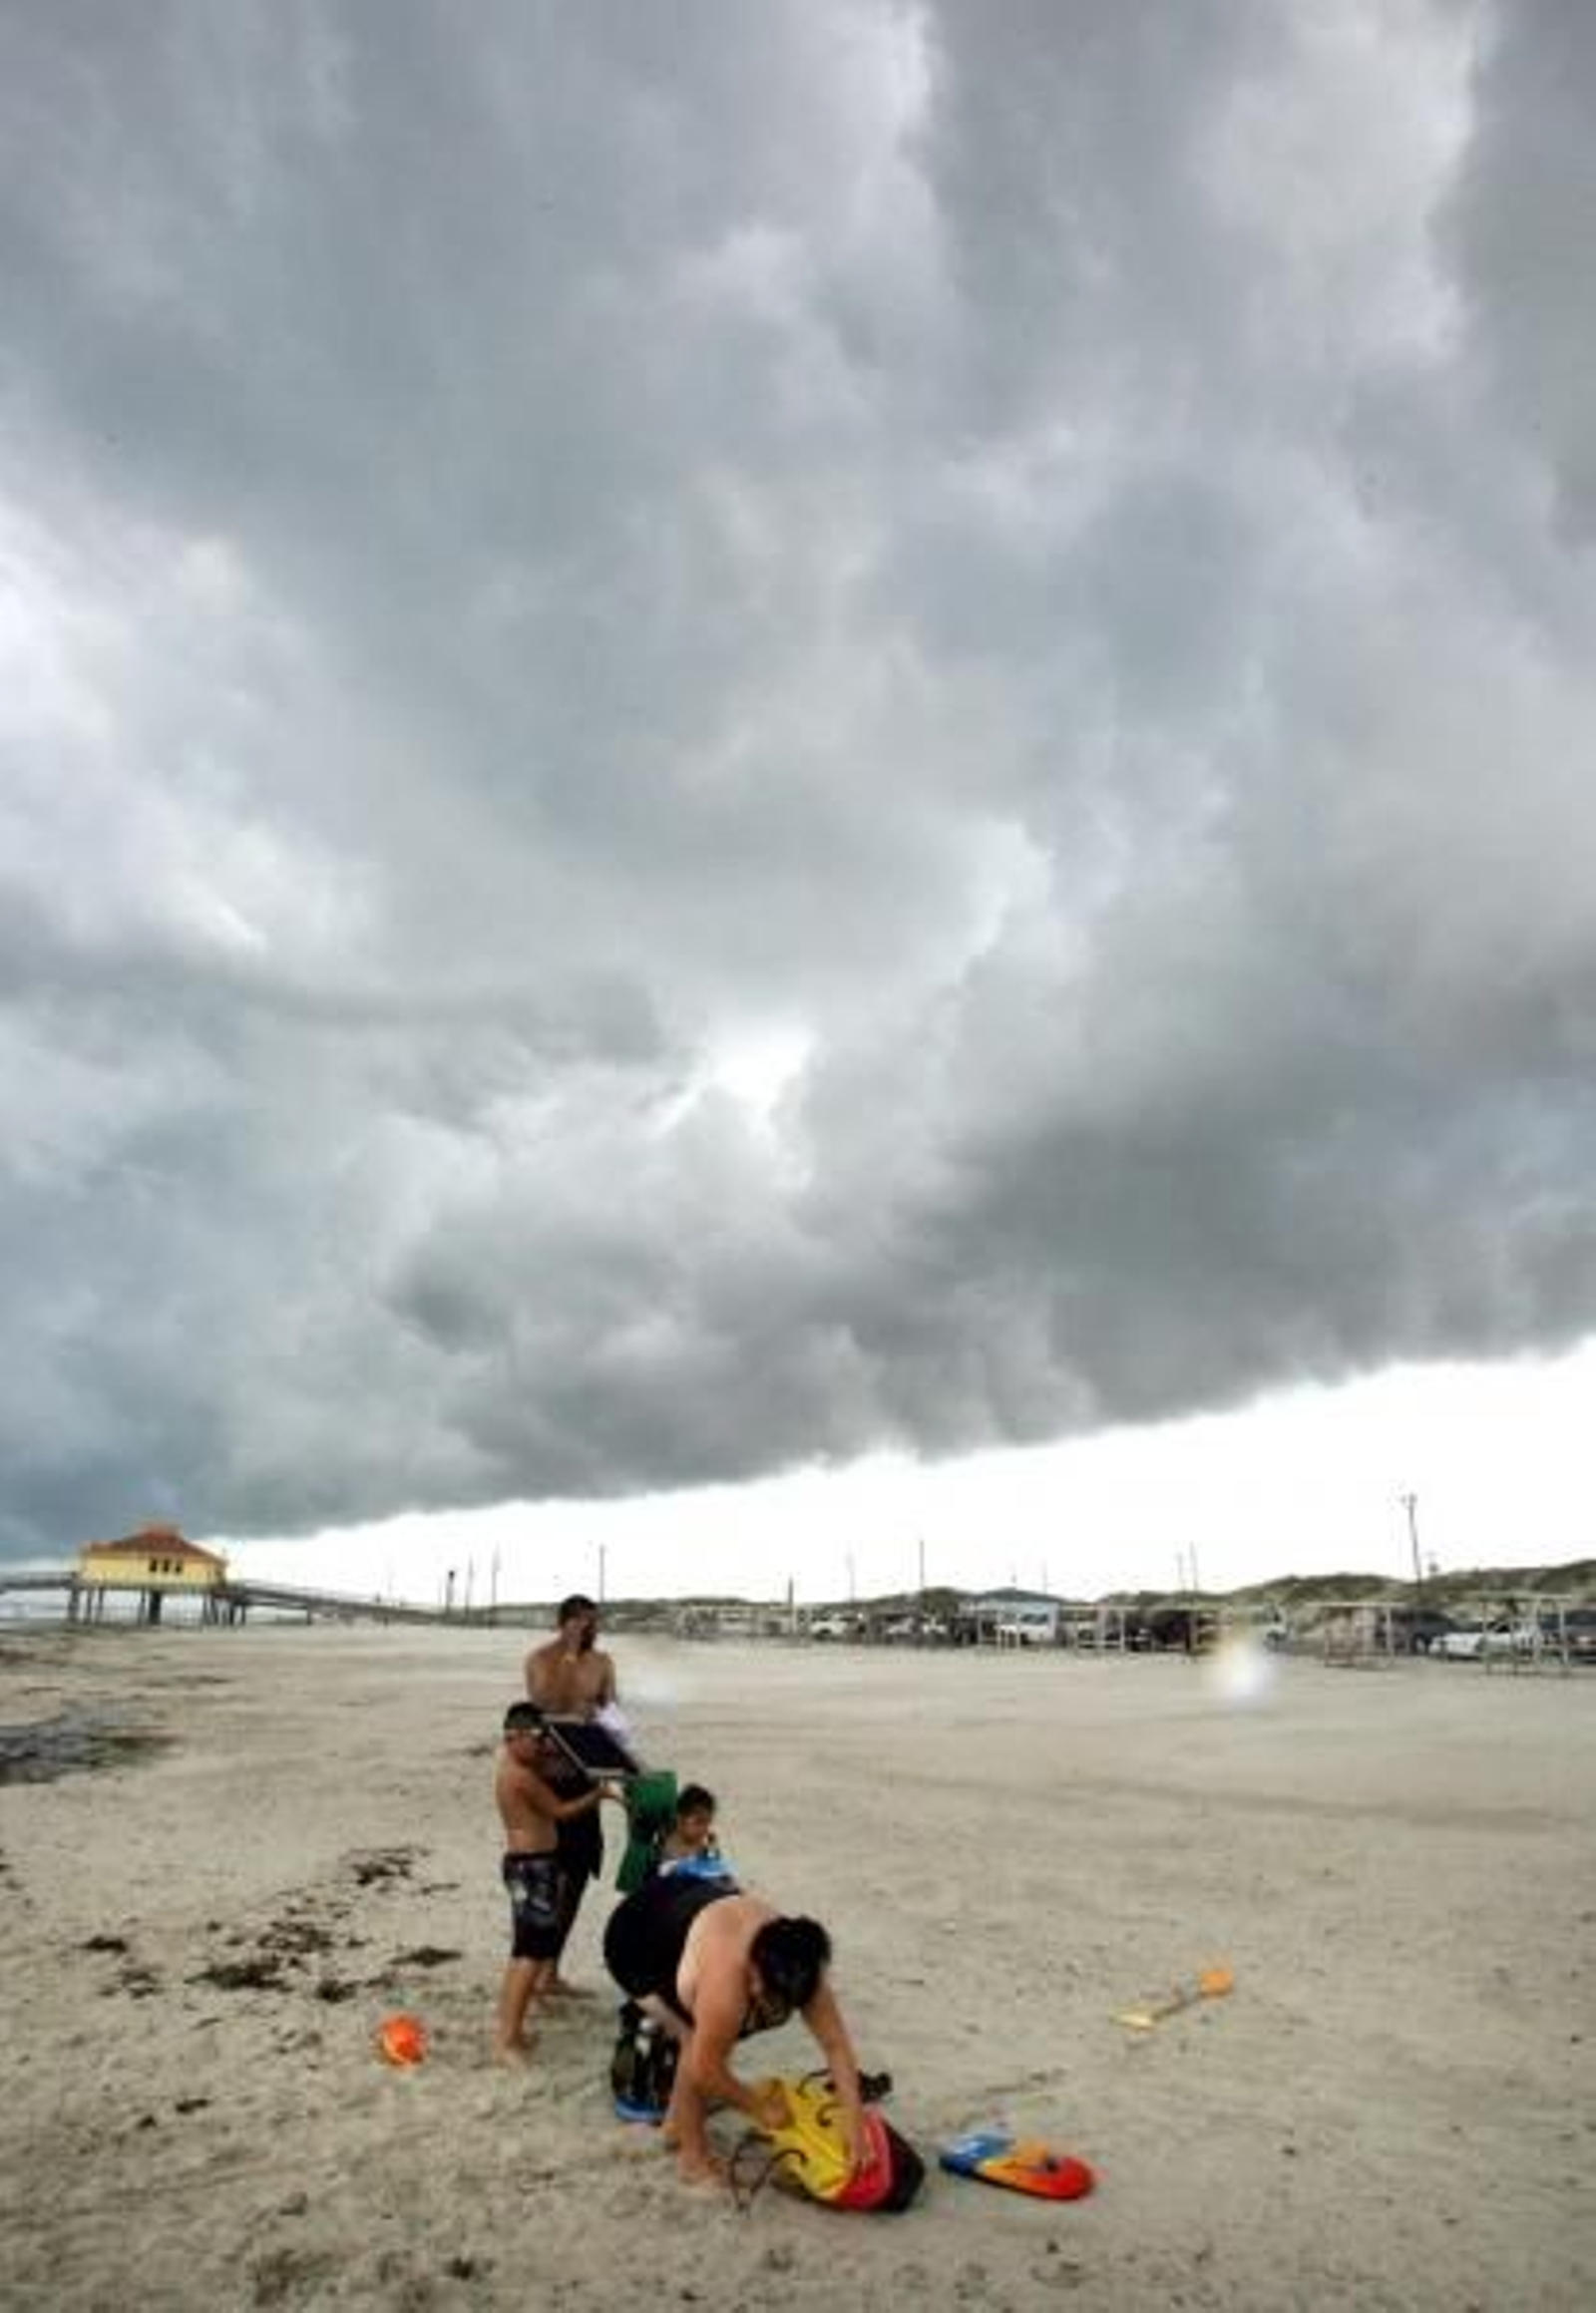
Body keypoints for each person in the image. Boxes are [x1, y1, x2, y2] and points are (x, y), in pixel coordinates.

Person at [602, 1877, 867, 2185]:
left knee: (713, 2037)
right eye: (761, 1989)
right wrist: (757, 2107)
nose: (758, 1992)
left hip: (688, 1905)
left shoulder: (804, 1971)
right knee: (694, 2039)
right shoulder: (726, 1984)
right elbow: (705, 2068)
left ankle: (675, 2124)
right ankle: (692, 2158)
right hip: (634, 1936)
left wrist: (853, 2120)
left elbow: (836, 2046)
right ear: (752, 1964)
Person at [494, 1701, 621, 2065]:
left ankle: (511, 2029)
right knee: (530, 1955)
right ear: (513, 1737)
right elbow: (560, 1811)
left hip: (528, 1866)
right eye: (537, 1739)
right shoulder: (521, 1776)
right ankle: (507, 2039)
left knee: (525, 1951)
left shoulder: (513, 1765)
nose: (543, 1746)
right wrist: (597, 1795)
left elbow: (549, 1755)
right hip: (533, 1868)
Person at [524, 1594, 618, 1988]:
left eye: (590, 1622)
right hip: (546, 1775)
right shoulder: (540, 1659)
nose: (585, 1629)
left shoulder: (603, 1663)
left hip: (585, 1773)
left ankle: (551, 1969)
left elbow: (613, 1716)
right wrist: (569, 1655)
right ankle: (531, 1967)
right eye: (577, 1622)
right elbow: (548, 1703)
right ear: (561, 1622)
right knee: (545, 1875)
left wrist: (623, 1760)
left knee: (578, 1874)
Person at [656, 1783, 735, 1882]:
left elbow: (720, 1872)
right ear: (679, 1818)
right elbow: (665, 1875)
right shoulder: (669, 1846)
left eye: (708, 1823)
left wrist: (713, 1853)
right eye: (699, 1822)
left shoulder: (706, 1845)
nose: (704, 1829)